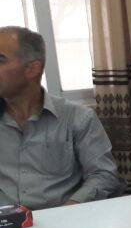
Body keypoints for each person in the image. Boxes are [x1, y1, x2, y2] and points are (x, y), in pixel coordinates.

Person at [0, 26, 121, 209]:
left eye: (1, 60)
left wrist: (69, 210)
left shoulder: (78, 119)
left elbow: (103, 175)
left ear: (32, 69)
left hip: (63, 219)